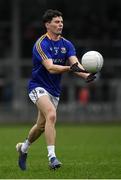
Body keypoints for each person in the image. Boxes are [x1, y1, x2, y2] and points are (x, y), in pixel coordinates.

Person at [16, 9, 96, 171]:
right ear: (47, 25)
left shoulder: (66, 44)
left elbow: (76, 64)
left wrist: (86, 74)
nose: (60, 24)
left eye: (61, 22)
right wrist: (71, 68)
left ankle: (23, 148)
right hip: (37, 86)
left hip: (54, 90)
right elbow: (51, 68)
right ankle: (52, 158)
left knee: (40, 126)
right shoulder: (41, 44)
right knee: (51, 115)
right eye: (57, 22)